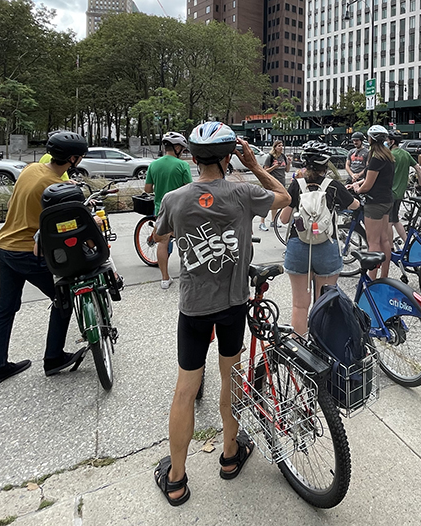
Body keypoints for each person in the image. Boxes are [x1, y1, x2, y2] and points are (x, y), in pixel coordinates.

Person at [152, 121, 289, 506]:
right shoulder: (244, 192)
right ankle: (230, 455)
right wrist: (256, 164)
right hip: (233, 306)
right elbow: (283, 196)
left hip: (193, 309)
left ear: (193, 159)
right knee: (230, 379)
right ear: (229, 158)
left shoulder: (175, 200)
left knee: (185, 389)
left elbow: (159, 235)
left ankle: (176, 479)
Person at [0, 132, 93, 388]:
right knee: (64, 297)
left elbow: (14, 202)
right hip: (25, 253)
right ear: (73, 158)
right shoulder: (53, 187)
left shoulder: (32, 169)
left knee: (5, 308)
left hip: (3, 246)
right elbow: (65, 227)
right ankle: (53, 358)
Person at [277, 142, 359, 335]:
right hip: (326, 245)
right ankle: (322, 351)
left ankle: (300, 353)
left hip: (298, 245)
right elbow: (354, 205)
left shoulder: (296, 185)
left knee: (299, 305)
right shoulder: (334, 186)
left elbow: (283, 218)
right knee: (325, 305)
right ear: (326, 165)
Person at [144, 132, 193, 288]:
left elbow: (147, 189)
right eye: (183, 149)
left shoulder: (153, 165)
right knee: (185, 242)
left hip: (160, 209)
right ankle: (189, 275)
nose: (183, 152)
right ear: (177, 147)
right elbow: (189, 189)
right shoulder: (183, 165)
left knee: (163, 243)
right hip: (180, 209)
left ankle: (165, 279)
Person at [348, 125, 395, 279]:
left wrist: (357, 189)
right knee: (385, 239)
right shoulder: (388, 157)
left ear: (371, 139)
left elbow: (368, 185)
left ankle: (372, 279)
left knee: (373, 242)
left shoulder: (375, 158)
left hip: (374, 203)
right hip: (387, 201)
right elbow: (373, 178)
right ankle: (384, 276)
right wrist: (358, 183)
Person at [388, 130, 421, 241]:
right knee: (395, 220)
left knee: (388, 222)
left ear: (392, 141)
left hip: (389, 193)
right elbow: (418, 168)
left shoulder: (389, 155)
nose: (386, 142)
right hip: (400, 193)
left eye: (387, 140)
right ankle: (407, 243)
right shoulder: (406, 154)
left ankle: (390, 248)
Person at [258, 140, 290, 232]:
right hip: (271, 183)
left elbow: (287, 170)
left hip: (281, 182)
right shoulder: (270, 157)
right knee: (267, 202)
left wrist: (289, 163)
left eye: (282, 145)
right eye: (279, 145)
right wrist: (274, 167)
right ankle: (262, 223)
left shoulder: (283, 156)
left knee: (276, 202)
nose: (281, 147)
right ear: (275, 147)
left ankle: (273, 221)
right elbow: (265, 171)